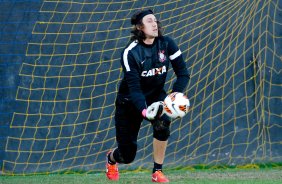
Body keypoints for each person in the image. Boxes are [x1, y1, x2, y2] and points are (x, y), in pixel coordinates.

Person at [106, 9, 190, 183]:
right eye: (149, 21)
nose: (154, 24)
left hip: (155, 97)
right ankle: (111, 158)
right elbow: (135, 89)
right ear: (139, 27)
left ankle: (157, 171)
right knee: (127, 155)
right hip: (129, 102)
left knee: (163, 124)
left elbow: (183, 73)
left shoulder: (167, 44)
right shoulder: (130, 52)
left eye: (155, 21)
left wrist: (175, 94)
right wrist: (145, 112)